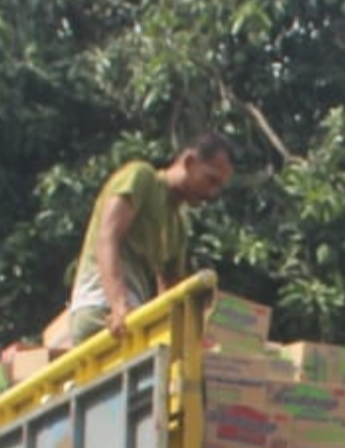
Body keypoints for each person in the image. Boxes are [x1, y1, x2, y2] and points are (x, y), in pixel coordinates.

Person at [52, 135, 235, 346]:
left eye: (219, 187)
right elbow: (108, 237)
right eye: (211, 180)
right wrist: (118, 305)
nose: (212, 193)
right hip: (101, 307)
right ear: (189, 162)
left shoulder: (177, 227)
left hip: (132, 317)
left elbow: (170, 296)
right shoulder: (141, 177)